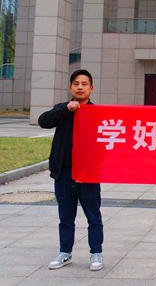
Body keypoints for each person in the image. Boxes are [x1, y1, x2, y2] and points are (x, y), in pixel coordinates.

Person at [38, 69, 104, 271]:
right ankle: (64, 252)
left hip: (88, 174)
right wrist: (66, 109)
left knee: (94, 217)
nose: (80, 87)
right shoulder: (62, 109)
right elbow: (43, 121)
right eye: (76, 84)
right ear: (70, 88)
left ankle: (96, 253)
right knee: (66, 218)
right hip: (64, 173)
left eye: (84, 84)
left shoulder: (97, 113)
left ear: (91, 88)